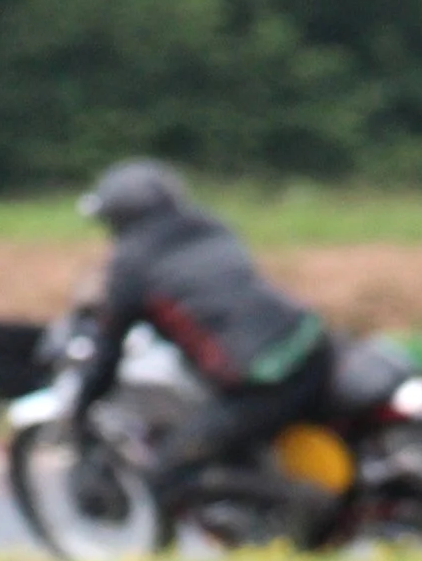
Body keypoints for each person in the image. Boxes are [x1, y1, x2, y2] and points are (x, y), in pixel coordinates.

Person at [73, 159, 335, 529]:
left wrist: (82, 405)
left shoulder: (132, 266)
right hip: (312, 342)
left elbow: (107, 352)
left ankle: (301, 499)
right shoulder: (210, 226)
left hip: (262, 379)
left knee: (166, 475)